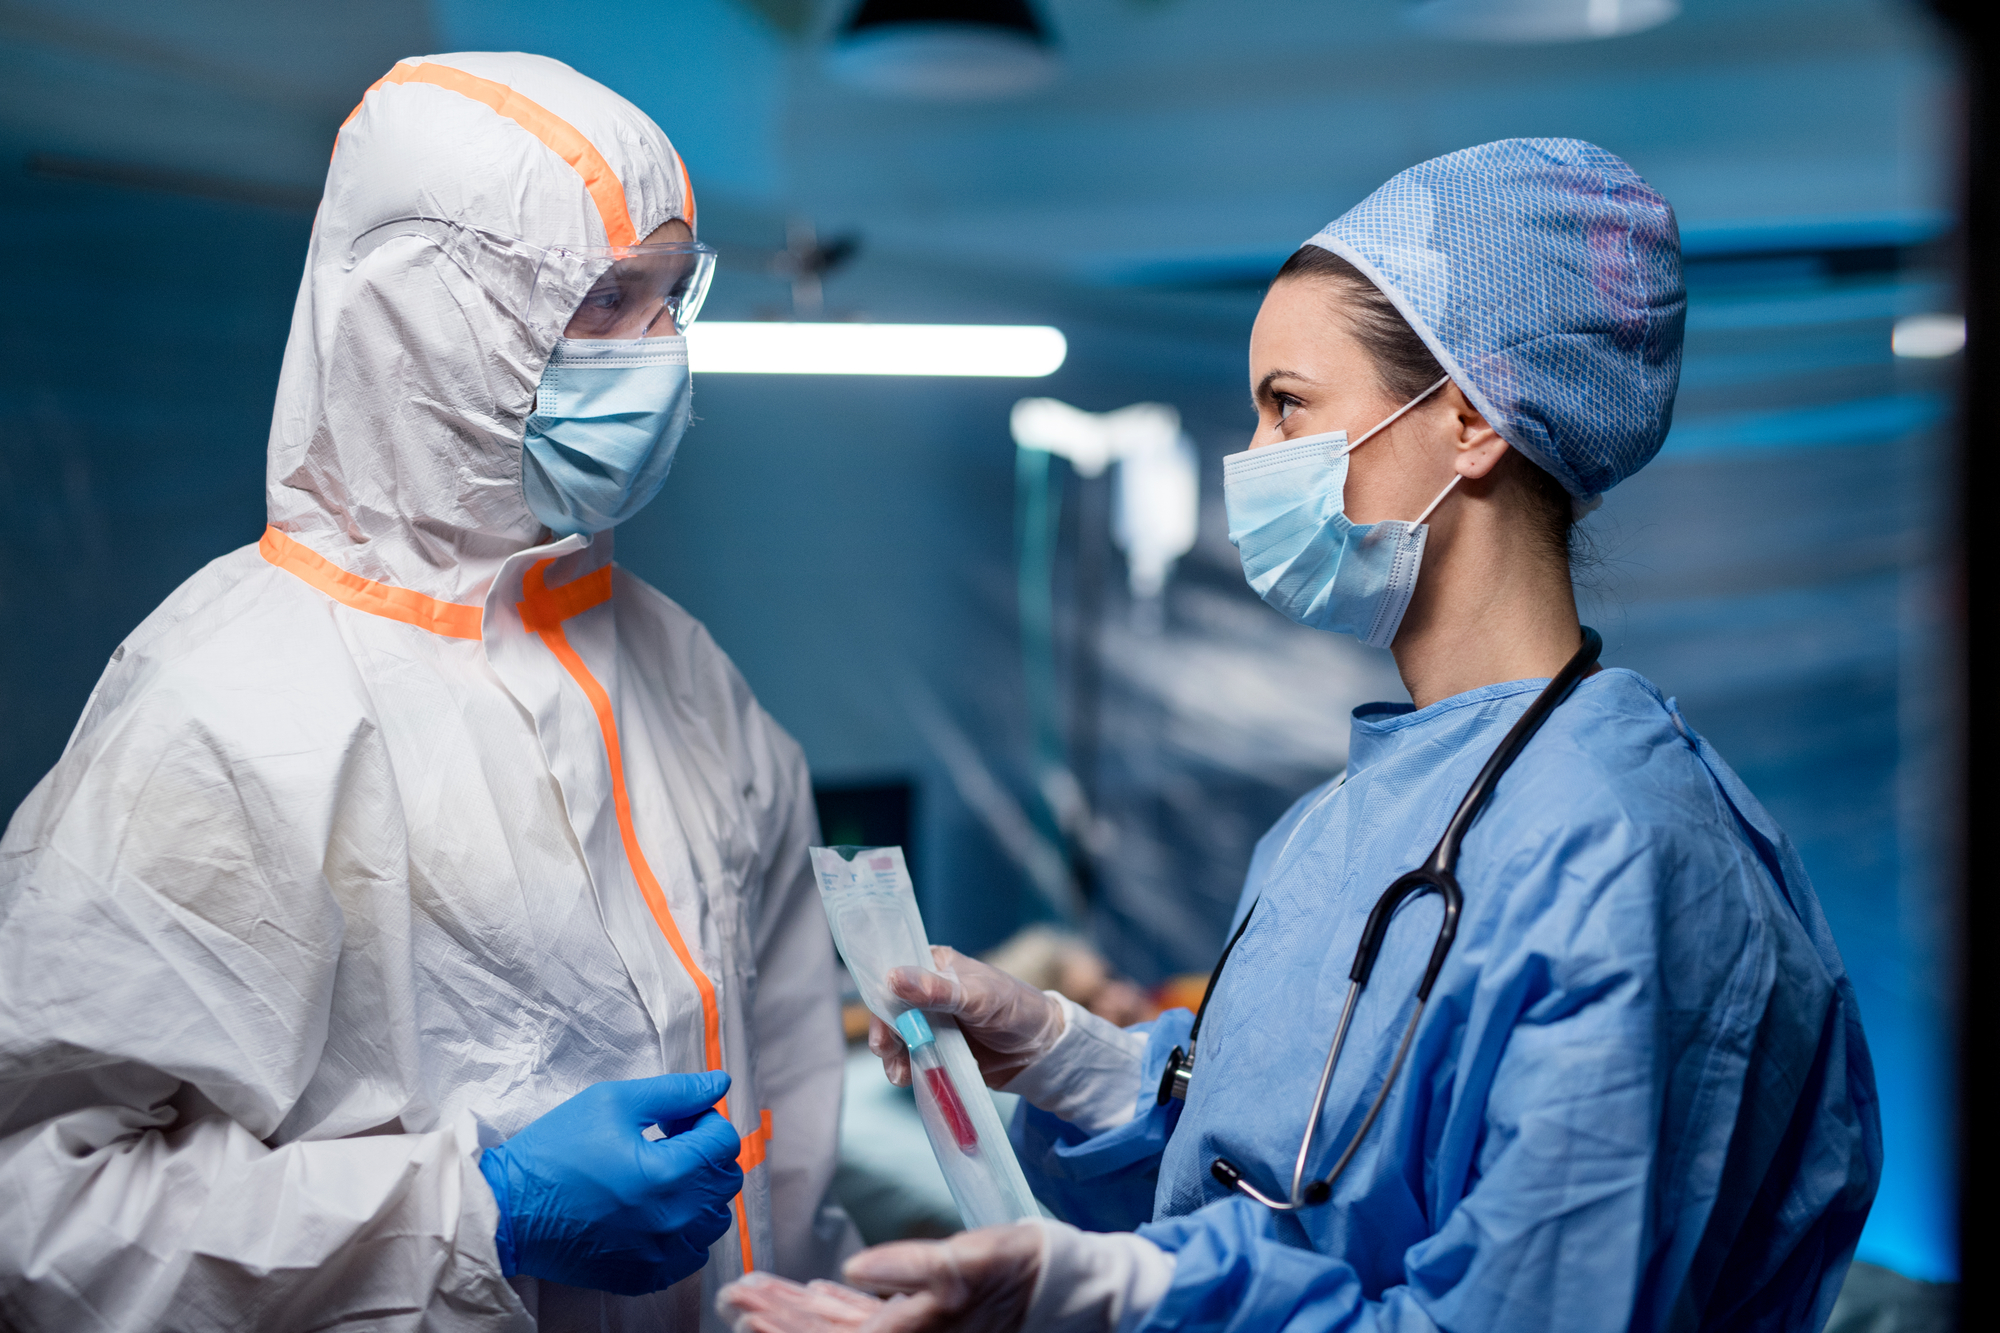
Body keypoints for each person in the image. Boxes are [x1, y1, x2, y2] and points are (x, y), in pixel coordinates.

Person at [717, 140, 1881, 1333]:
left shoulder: (1624, 861)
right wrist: (1088, 1065)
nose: (1254, 460)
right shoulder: (1338, 826)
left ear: (1471, 421)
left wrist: (1113, 1302)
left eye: (1288, 406)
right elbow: (1295, 1173)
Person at [0, 52, 853, 1330]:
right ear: (426, 314)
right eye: (606, 299)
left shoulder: (684, 677)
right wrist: (475, 1215)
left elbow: (786, 1095)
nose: (661, 352)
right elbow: (41, 1217)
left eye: (675, 297)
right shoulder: (226, 703)